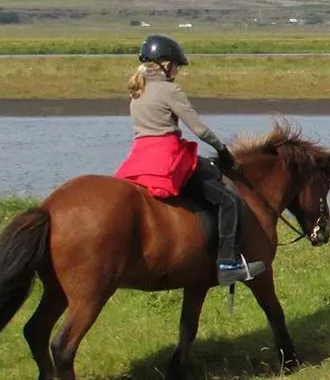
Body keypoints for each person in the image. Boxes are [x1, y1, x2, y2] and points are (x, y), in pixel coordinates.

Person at [113, 34, 264, 286]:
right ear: (164, 64)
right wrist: (223, 150)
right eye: (175, 65)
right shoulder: (170, 90)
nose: (177, 71)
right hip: (168, 158)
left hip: (139, 158)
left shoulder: (136, 91)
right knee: (228, 199)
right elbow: (200, 129)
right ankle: (228, 264)